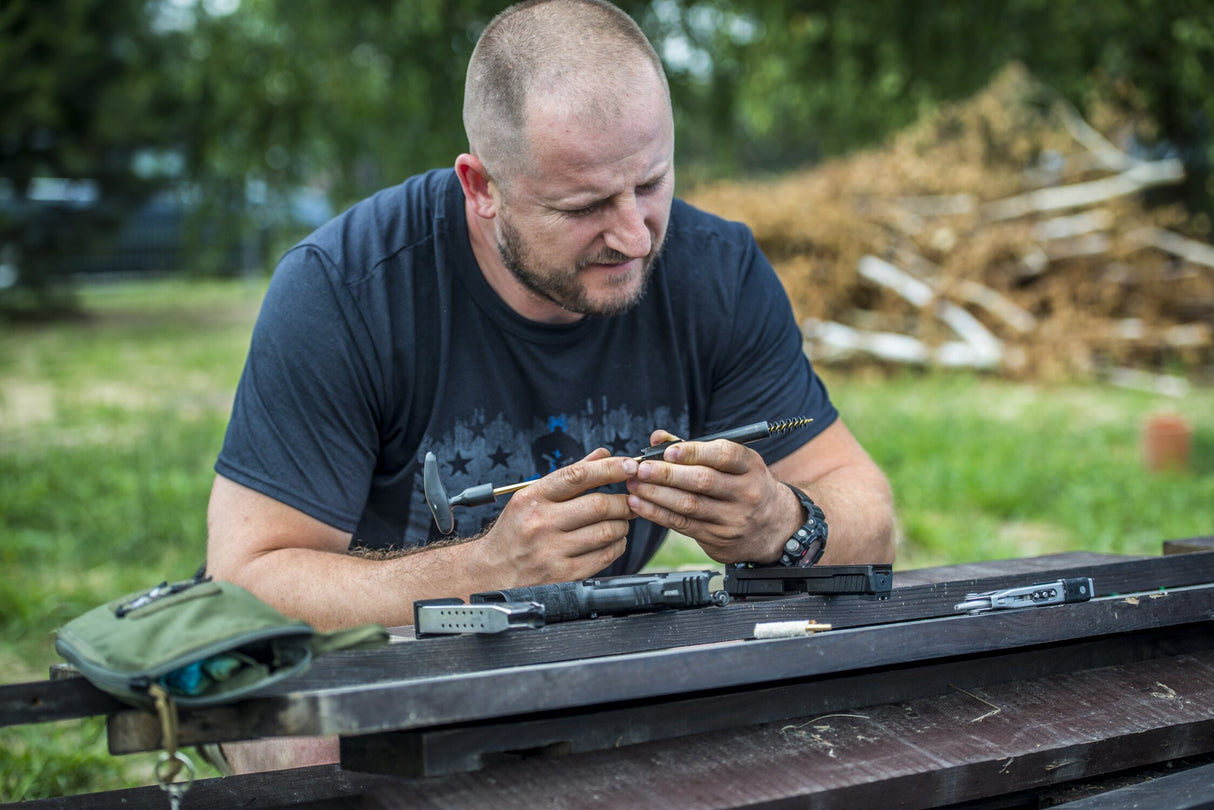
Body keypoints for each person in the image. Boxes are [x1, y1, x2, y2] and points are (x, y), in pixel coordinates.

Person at [208, 0, 894, 653]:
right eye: (583, 206)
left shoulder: (716, 272)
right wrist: (485, 572)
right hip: (371, 664)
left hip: (587, 666)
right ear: (481, 188)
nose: (633, 236)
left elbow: (871, 517)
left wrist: (781, 521)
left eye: (652, 183)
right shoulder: (345, 289)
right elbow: (244, 587)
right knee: (304, 758)